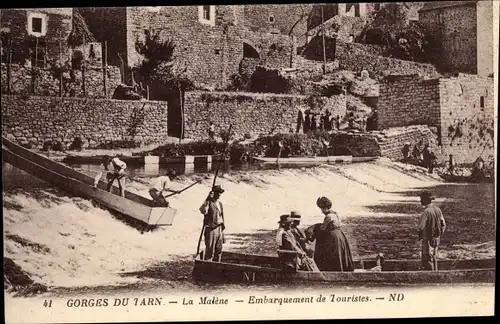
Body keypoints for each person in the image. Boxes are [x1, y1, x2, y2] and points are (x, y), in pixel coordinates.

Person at [308, 196, 354, 272]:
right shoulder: (335, 213)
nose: (322, 211)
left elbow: (323, 228)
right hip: (340, 235)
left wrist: (315, 227)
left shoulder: (328, 216)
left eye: (322, 208)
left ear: (326, 207)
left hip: (333, 237)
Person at [417, 190, 446, 271]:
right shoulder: (438, 210)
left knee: (427, 259)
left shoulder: (426, 212)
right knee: (434, 258)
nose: (420, 200)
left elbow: (420, 227)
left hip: (427, 239)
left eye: (421, 199)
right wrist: (438, 234)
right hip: (436, 239)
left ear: (425, 200)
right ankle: (435, 274)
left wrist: (421, 237)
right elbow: (443, 224)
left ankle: (429, 276)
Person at [199, 185, 226, 262]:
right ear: (213, 193)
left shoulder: (220, 204)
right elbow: (203, 210)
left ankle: (217, 268)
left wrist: (222, 231)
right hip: (211, 229)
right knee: (210, 251)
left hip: (219, 228)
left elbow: (222, 217)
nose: (219, 194)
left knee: (219, 250)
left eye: (220, 193)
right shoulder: (208, 202)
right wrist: (207, 198)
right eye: (217, 192)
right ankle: (208, 269)